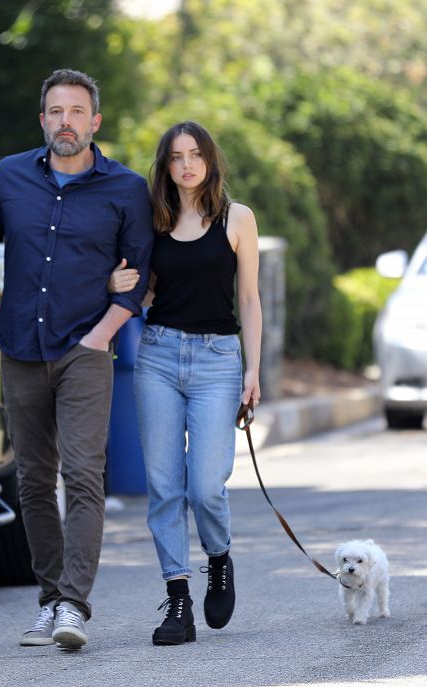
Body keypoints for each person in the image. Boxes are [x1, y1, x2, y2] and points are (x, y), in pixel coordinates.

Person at [0, 68, 153, 650]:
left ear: (95, 122)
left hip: (85, 349)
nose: (65, 122)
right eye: (55, 112)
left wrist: (101, 336)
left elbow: (136, 282)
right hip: (19, 349)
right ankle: (49, 600)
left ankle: (74, 606)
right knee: (34, 482)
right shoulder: (8, 177)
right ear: (42, 120)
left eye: (76, 112)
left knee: (84, 476)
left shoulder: (126, 189)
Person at [110, 120, 262, 645]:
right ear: (166, 166)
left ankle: (218, 558)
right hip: (158, 355)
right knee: (163, 486)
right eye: (176, 157)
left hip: (219, 360)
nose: (187, 164)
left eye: (195, 154)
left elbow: (249, 300)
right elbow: (144, 292)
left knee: (205, 486)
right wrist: (116, 284)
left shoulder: (237, 218)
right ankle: (178, 600)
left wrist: (254, 370)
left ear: (210, 160)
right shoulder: (154, 219)